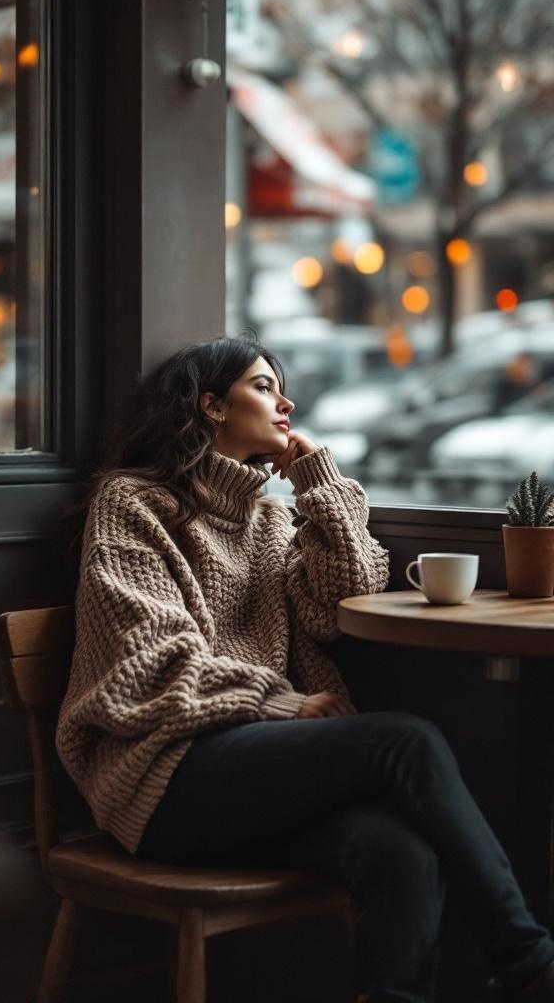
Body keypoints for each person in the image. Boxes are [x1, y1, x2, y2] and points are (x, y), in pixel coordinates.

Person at [57, 336, 554, 1003]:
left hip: (250, 775)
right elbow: (147, 665)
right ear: (210, 405)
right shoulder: (134, 503)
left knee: (399, 850)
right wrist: (283, 703)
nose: (285, 401)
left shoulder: (266, 514)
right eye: (263, 386)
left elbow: (340, 597)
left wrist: (319, 479)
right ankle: (529, 963)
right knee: (403, 739)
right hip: (165, 777)